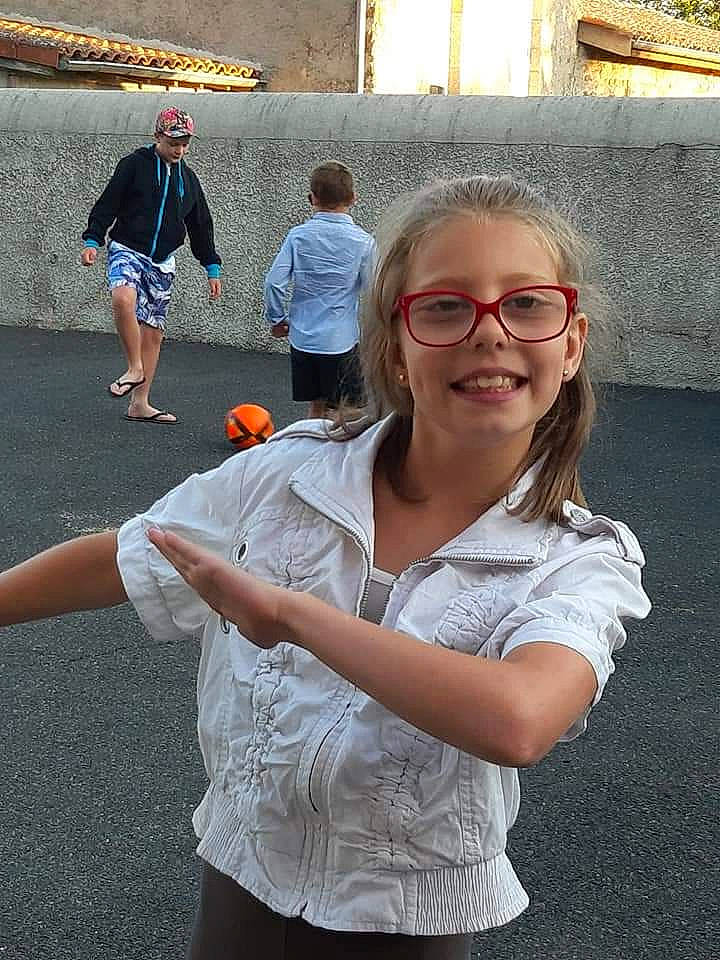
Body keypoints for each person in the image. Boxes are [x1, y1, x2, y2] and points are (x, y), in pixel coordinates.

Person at [1, 175, 651, 959]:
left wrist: (291, 617)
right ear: (397, 349)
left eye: (527, 303)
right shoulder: (288, 473)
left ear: (571, 343)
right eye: (444, 306)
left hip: (403, 920)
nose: (489, 331)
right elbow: (129, 554)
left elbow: (518, 719)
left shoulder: (579, 559)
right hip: (243, 871)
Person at [81, 106, 222, 425]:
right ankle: (134, 367)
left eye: (185, 143)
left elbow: (201, 224)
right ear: (157, 136)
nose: (179, 149)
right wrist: (93, 240)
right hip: (127, 247)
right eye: (173, 142)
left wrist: (210, 265)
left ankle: (140, 403)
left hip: (162, 260)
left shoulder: (187, 178)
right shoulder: (134, 165)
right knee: (122, 299)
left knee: (154, 333)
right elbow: (108, 203)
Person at [264, 160, 375, 418]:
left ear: (311, 198)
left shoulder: (298, 236)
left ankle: (310, 455)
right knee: (348, 412)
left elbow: (274, 281)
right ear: (354, 198)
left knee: (315, 407)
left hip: (303, 339)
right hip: (341, 340)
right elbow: (375, 290)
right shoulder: (363, 242)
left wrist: (277, 318)